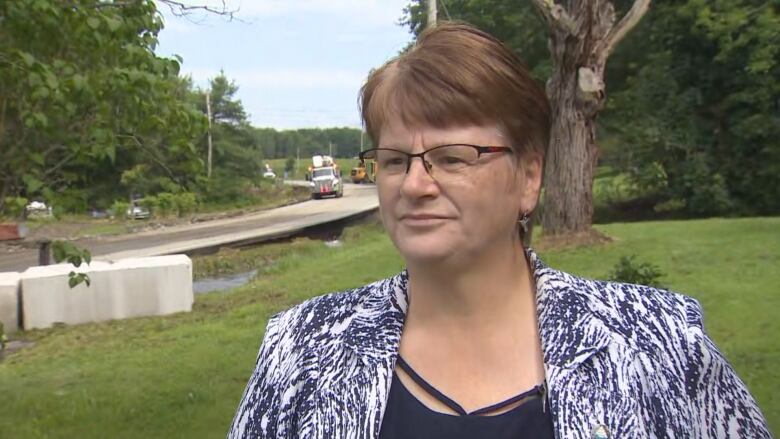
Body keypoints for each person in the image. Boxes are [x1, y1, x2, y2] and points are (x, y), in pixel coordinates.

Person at [228, 22, 770, 438]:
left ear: (529, 176)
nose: (415, 183)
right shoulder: (303, 351)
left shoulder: (657, 344)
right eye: (395, 161)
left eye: (454, 157)